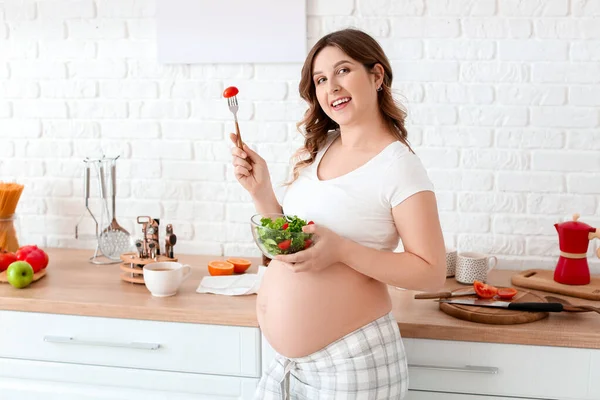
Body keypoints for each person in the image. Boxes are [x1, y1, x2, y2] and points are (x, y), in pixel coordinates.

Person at [229, 28, 446, 400]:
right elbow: (293, 247)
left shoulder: (398, 166)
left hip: (352, 364)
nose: (332, 87)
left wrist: (342, 250)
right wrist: (261, 192)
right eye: (321, 79)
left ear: (376, 76)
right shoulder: (320, 150)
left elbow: (431, 272)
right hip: (286, 363)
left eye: (343, 71)